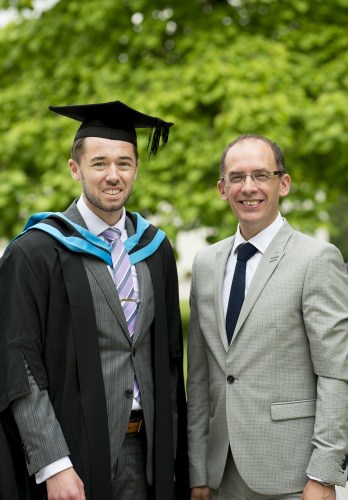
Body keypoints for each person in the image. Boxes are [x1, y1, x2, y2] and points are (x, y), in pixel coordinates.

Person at [0, 100, 189, 500]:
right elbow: (19, 364)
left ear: (136, 167)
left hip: (147, 457)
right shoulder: (36, 251)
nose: (113, 175)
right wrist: (54, 464)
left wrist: (174, 457)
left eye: (123, 163)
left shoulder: (154, 249)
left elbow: (170, 363)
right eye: (99, 163)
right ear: (76, 168)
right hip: (72, 458)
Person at [187, 133, 348, 500]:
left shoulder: (316, 260)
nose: (249, 188)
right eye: (236, 177)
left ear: (283, 183)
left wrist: (323, 474)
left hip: (293, 475)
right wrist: (198, 470)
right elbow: (199, 378)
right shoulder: (206, 263)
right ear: (222, 188)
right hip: (220, 473)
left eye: (261, 175)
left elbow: (337, 373)